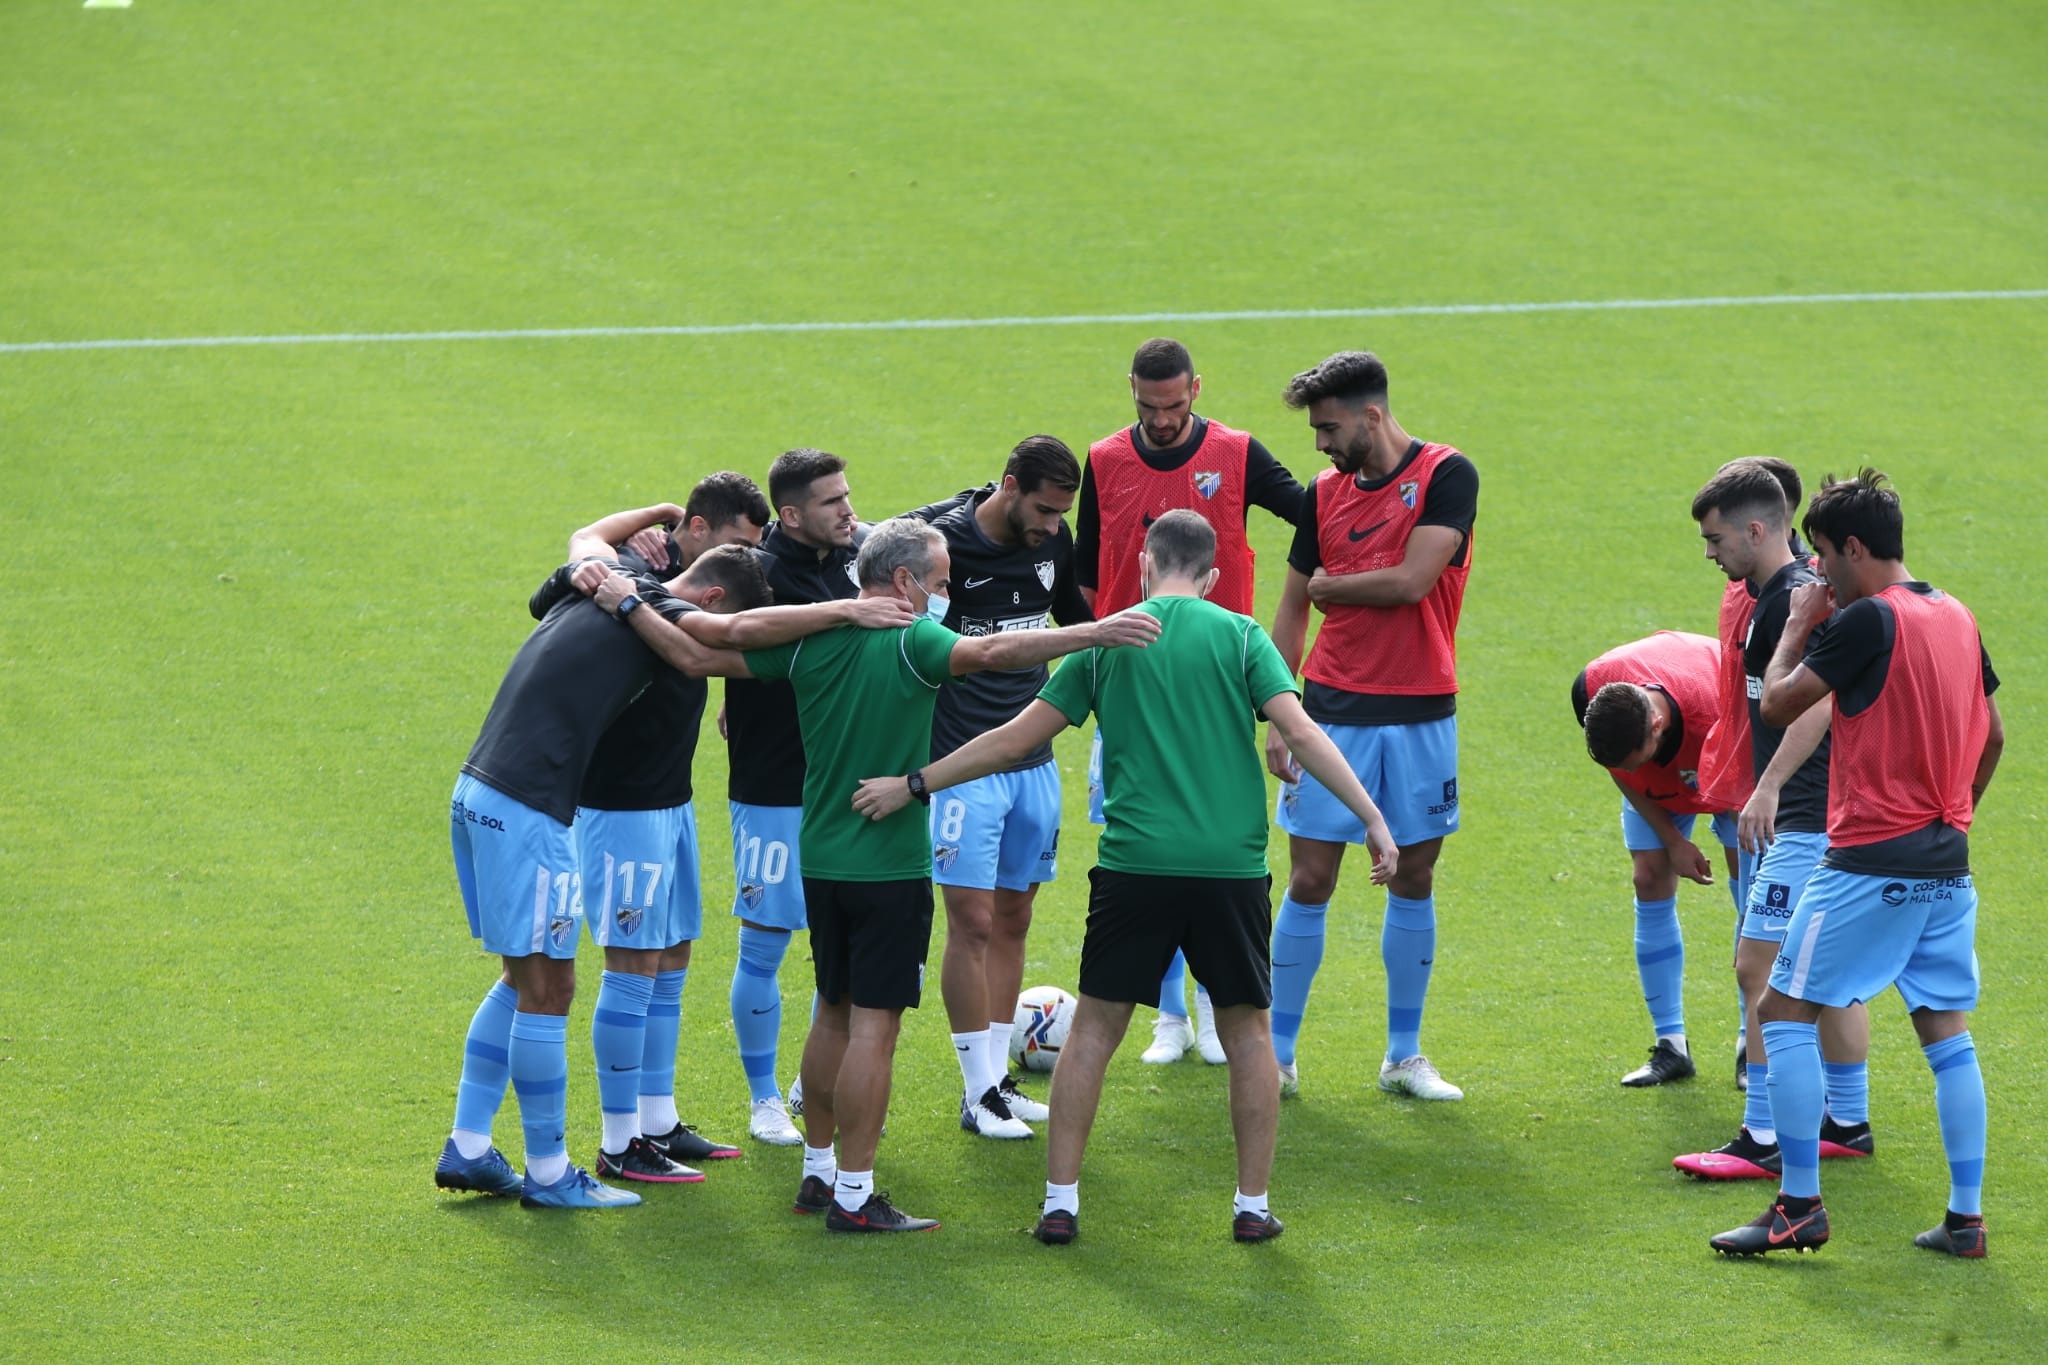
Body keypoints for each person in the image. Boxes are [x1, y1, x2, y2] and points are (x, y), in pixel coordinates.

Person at [853, 511, 1397, 1246]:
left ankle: (1060, 1202)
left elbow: (1014, 738)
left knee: (1094, 1035)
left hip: (1134, 869)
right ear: (1209, 576)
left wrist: (916, 782)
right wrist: (1372, 817)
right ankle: (1252, 1203)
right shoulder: (1241, 637)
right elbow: (1300, 732)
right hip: (1229, 872)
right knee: (1248, 1036)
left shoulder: (1108, 639)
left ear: (1144, 565)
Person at [604, 516, 1160, 1233]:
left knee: (831, 1010)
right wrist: (1093, 631)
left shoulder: (809, 637)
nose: (945, 593)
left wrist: (623, 598)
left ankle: (818, 1171)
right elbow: (995, 650)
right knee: (876, 1028)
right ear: (901, 582)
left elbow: (704, 651)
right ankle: (857, 1195)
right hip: (889, 866)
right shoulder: (910, 639)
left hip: (821, 857)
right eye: (938, 582)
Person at [436, 526, 903, 1209]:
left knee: (521, 976)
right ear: (706, 596)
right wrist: (847, 609)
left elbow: (585, 539)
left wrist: (652, 515)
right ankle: (547, 1173)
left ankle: (470, 1146)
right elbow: (720, 637)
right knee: (550, 987)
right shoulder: (644, 603)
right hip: (527, 806)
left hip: (479, 790)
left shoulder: (604, 574)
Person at [1711, 469, 2002, 1258]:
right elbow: (1996, 734)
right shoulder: (1958, 615)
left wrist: (1800, 625)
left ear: (1853, 547)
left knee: (1781, 1010)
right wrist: (1953, 812)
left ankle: (1799, 1205)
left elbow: (1776, 704)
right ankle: (1965, 1218)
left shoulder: (1866, 621)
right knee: (1946, 1033)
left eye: (1824, 559)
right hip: (1949, 860)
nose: (1817, 575)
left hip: (1868, 858)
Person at [525, 476, 771, 1182]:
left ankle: (658, 1119)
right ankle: (619, 1139)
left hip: (670, 799)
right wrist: (661, 512)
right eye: (737, 542)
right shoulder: (626, 583)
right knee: (632, 962)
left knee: (672, 952)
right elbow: (583, 540)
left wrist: (665, 517)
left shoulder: (661, 579)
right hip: (619, 805)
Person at [1075, 337, 1306, 1064]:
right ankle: (1166, 1016)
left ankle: (1212, 1007)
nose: (1163, 419)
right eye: (1148, 406)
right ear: (1132, 393)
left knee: (1210, 840)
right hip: (1131, 683)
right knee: (1142, 834)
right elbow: (1086, 569)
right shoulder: (1106, 458)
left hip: (1219, 684)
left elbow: (1312, 517)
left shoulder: (1237, 454)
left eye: (1175, 406)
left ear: (1196, 390)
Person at [1261, 350, 1478, 1102]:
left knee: (1413, 876)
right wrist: (1278, 708)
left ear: (1371, 416)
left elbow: (1415, 580)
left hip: (1421, 710)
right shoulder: (1322, 497)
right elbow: (1292, 608)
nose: (1320, 445)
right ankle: (1277, 1053)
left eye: (1328, 428)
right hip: (1331, 708)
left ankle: (1403, 1055)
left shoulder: (1448, 475)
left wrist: (1334, 586)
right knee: (1310, 877)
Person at [1675, 460, 1877, 1181]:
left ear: (1756, 529)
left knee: (1757, 965)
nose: (1710, 552)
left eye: (1715, 538)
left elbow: (1818, 704)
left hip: (1804, 821)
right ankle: (1848, 1121)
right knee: (1832, 976)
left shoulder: (1791, 602)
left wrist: (1767, 785)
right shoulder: (1778, 596)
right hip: (1828, 816)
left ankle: (1760, 1133)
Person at [900, 436, 1094, 1139]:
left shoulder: (1052, 539)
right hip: (961, 765)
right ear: (1008, 486)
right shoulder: (939, 545)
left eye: (1061, 512)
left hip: (1034, 762)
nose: (1051, 524)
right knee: (973, 922)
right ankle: (975, 1087)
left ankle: (997, 1085)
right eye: (1043, 508)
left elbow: (1074, 618)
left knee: (1014, 917)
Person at [722, 450, 864, 1146]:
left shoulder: (850, 558)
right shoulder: (759, 575)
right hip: (774, 783)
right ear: (790, 513)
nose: (847, 509)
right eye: (831, 501)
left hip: (843, 782)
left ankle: (814, 1081)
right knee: (766, 944)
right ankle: (762, 1097)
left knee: (839, 943)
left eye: (847, 495)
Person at [1574, 632, 1738, 1085]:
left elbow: (1750, 786)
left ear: (1656, 729)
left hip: (1735, 761)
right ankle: (1672, 1046)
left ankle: (1752, 1046)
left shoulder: (1720, 711)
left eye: (1636, 758)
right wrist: (1671, 840)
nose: (1630, 768)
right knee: (1649, 878)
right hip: (1680, 749)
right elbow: (1620, 769)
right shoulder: (1594, 693)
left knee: (1754, 893)